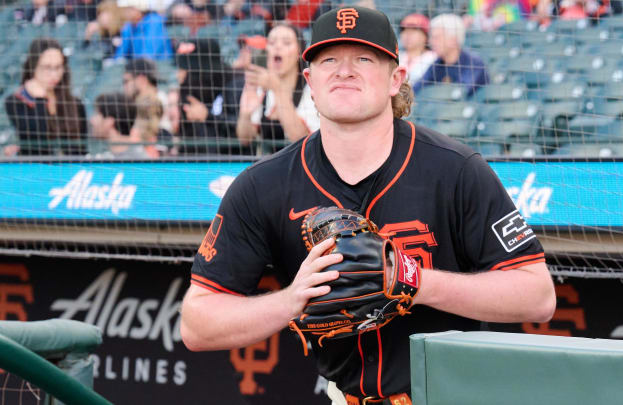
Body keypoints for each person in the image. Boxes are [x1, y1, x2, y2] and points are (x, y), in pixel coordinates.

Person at [181, 6, 555, 405]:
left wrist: (411, 279)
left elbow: (537, 295)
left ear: (396, 79)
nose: (344, 71)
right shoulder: (263, 185)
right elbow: (197, 324)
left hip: (451, 395)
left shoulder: (457, 170)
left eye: (363, 58)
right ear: (310, 80)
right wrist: (292, 300)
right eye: (328, 60)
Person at [236, 23, 320, 154]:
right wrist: (245, 115)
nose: (277, 46)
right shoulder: (261, 89)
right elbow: (245, 139)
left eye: (286, 43)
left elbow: (302, 140)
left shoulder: (312, 89)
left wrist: (278, 89)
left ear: (299, 52)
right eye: (272, 42)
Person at [5, 38, 87, 156]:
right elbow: (38, 142)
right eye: (47, 67)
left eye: (58, 67)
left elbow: (81, 149)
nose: (54, 75)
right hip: (36, 171)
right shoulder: (15, 102)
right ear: (33, 66)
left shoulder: (76, 104)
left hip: (71, 171)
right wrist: (39, 99)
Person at [175, 38, 242, 155]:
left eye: (184, 69)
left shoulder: (233, 87)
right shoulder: (189, 93)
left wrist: (207, 116)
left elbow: (241, 131)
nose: (179, 76)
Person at [413, 13, 489, 96]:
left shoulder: (474, 63)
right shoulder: (437, 64)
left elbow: (461, 93)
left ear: (453, 40)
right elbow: (416, 89)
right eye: (431, 37)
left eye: (437, 38)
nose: (431, 42)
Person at [89, 92, 151, 158]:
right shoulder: (105, 157)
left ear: (109, 122)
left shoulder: (139, 161)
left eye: (97, 114)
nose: (92, 120)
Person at [398, 13, 436, 87]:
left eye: (414, 30)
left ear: (425, 36)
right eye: (404, 30)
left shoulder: (434, 58)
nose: (408, 34)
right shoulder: (396, 56)